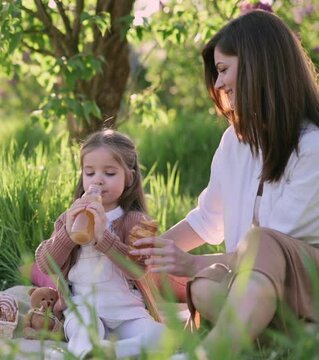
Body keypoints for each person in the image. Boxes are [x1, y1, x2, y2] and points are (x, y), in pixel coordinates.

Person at [129, 10, 319, 356]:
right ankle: (285, 339)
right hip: (256, 290)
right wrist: (144, 255)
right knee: (202, 287)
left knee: (258, 244)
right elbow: (206, 221)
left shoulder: (312, 148)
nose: (217, 85)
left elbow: (267, 253)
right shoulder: (235, 142)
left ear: (258, 68)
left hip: (306, 287)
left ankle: (209, 353)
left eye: (223, 70)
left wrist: (189, 264)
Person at [36, 129, 165, 359]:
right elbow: (46, 264)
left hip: (125, 309)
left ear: (130, 178)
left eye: (109, 173)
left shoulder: (135, 221)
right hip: (84, 307)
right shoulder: (71, 217)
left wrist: (103, 238)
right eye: (90, 172)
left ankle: (110, 351)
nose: (98, 179)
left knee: (160, 335)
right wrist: (67, 232)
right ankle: (88, 352)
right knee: (85, 327)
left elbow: (138, 269)